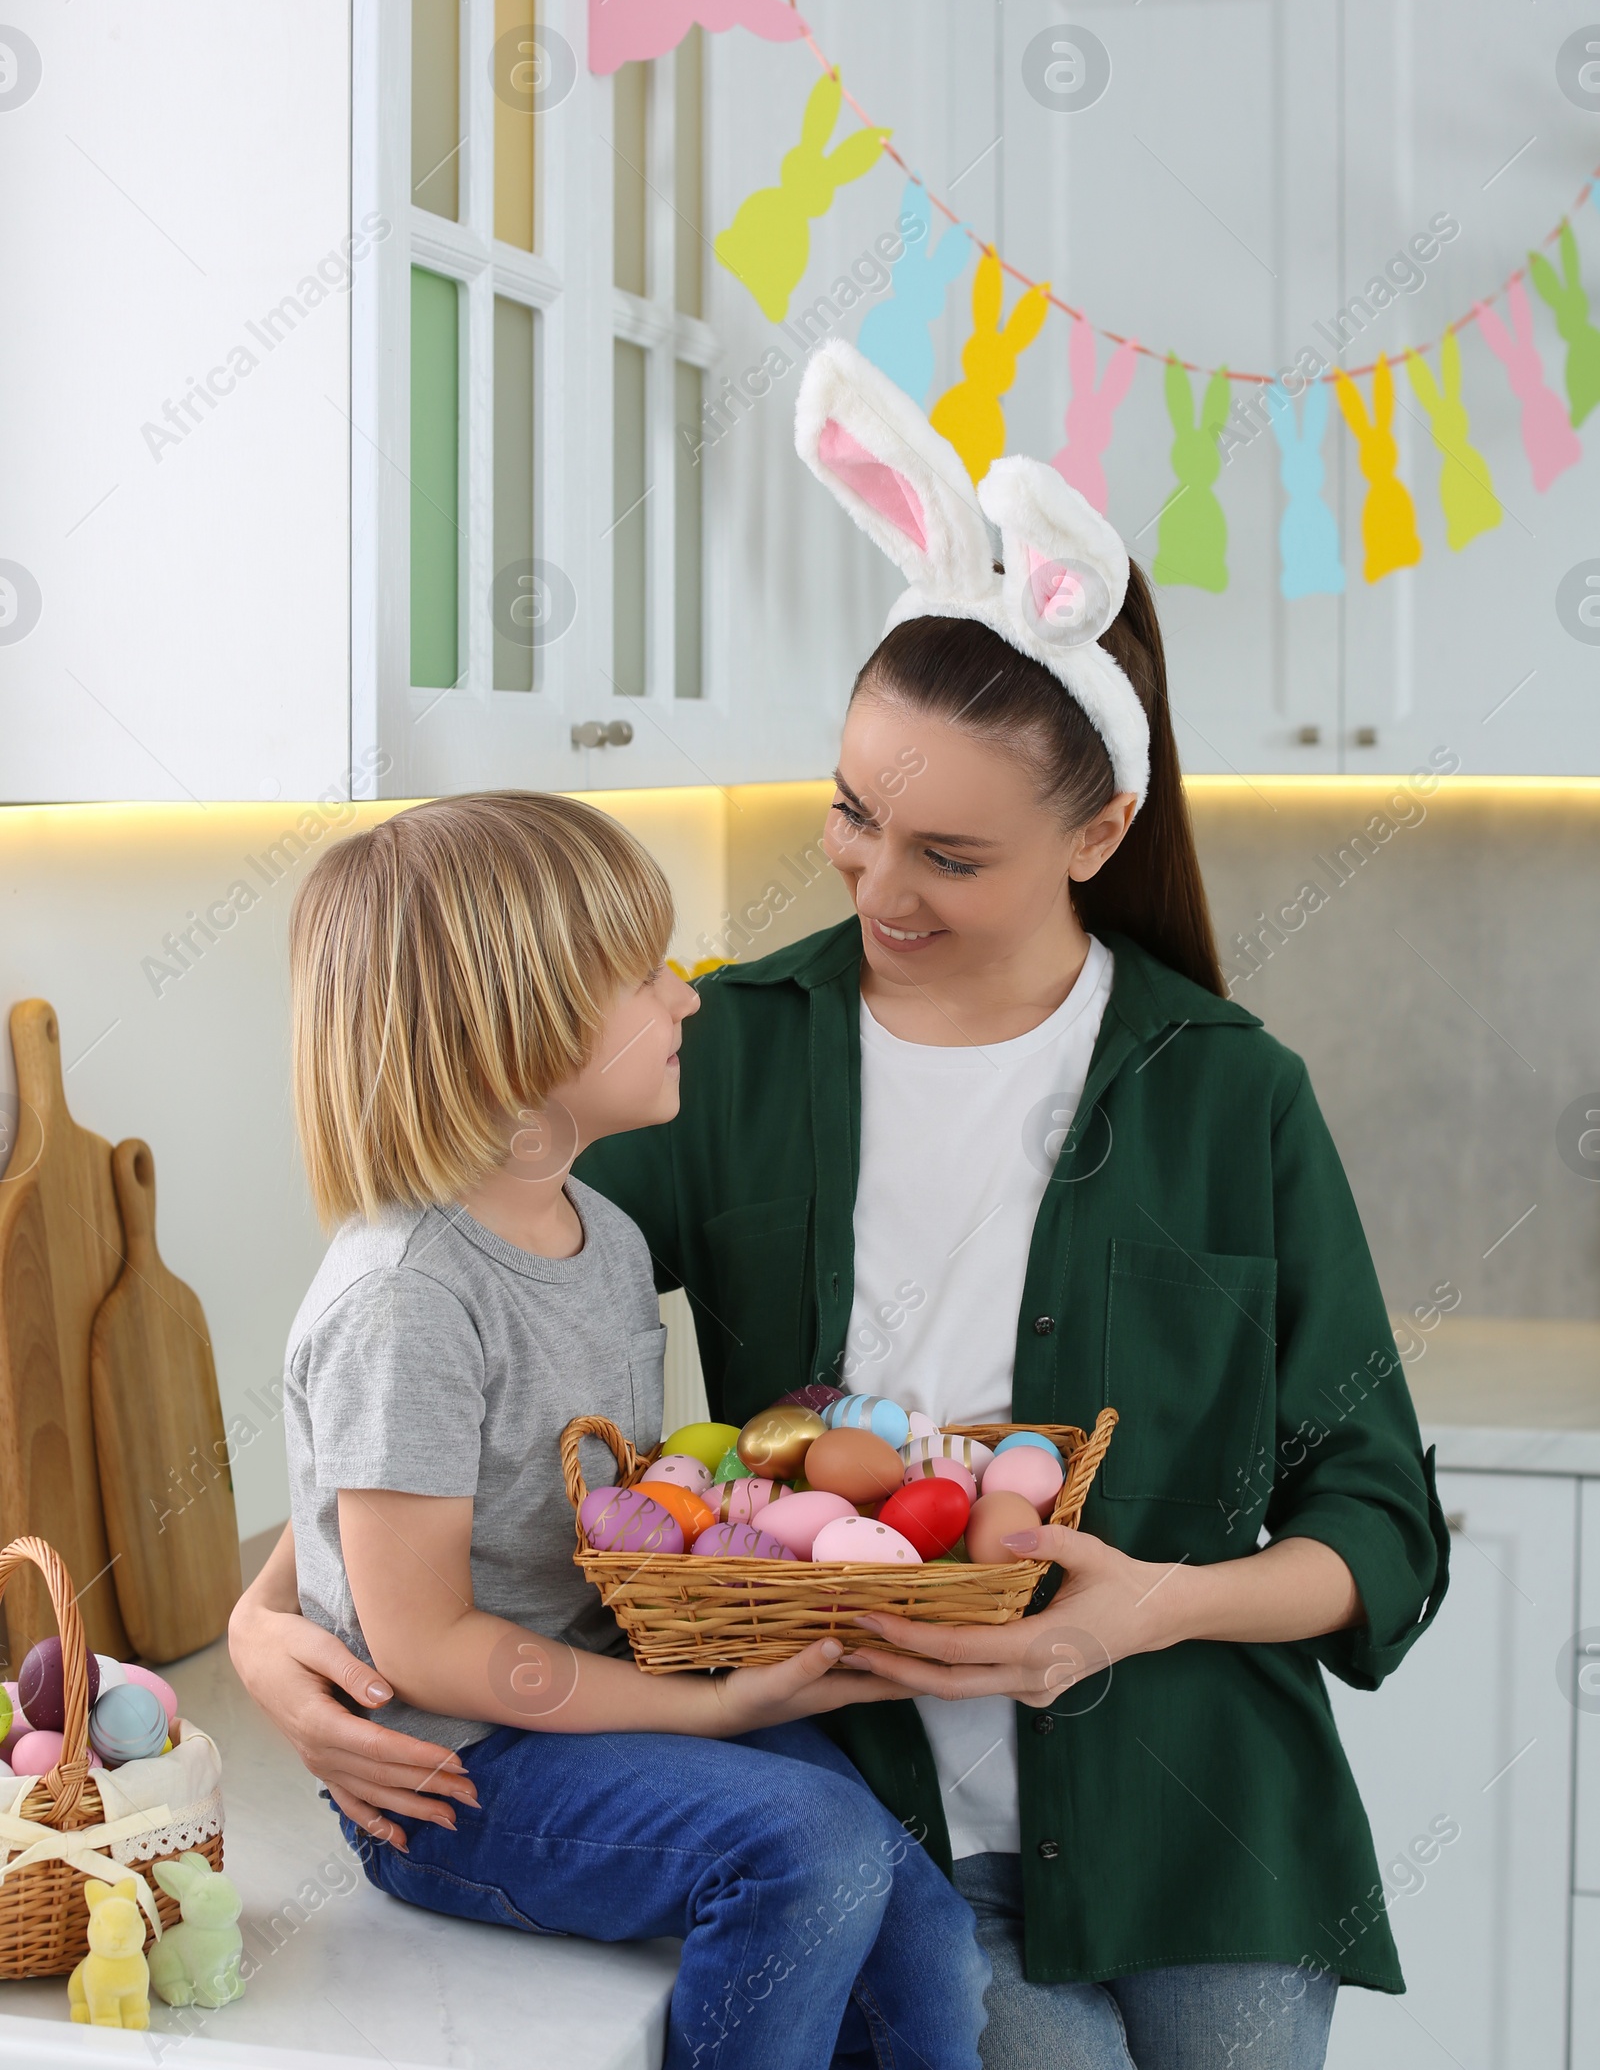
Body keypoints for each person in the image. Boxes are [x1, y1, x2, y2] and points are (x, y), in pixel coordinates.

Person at [232, 344, 1447, 2069]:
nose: (877, 886)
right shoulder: (722, 1055)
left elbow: (1381, 1517)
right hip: (874, 1802)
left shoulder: (1228, 1089)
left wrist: (1147, 1605)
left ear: (1098, 834)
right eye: (855, 820)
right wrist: (265, 1634)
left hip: (1208, 1821)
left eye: (950, 858)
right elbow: (432, 1343)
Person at [258, 789, 989, 2070]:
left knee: (920, 1927)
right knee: (809, 1846)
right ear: (513, 1026)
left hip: (591, 1712)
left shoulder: (603, 1236)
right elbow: (424, 1644)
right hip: (455, 1779)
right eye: (644, 972)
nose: (687, 997)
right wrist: (697, 1711)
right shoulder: (406, 1297)